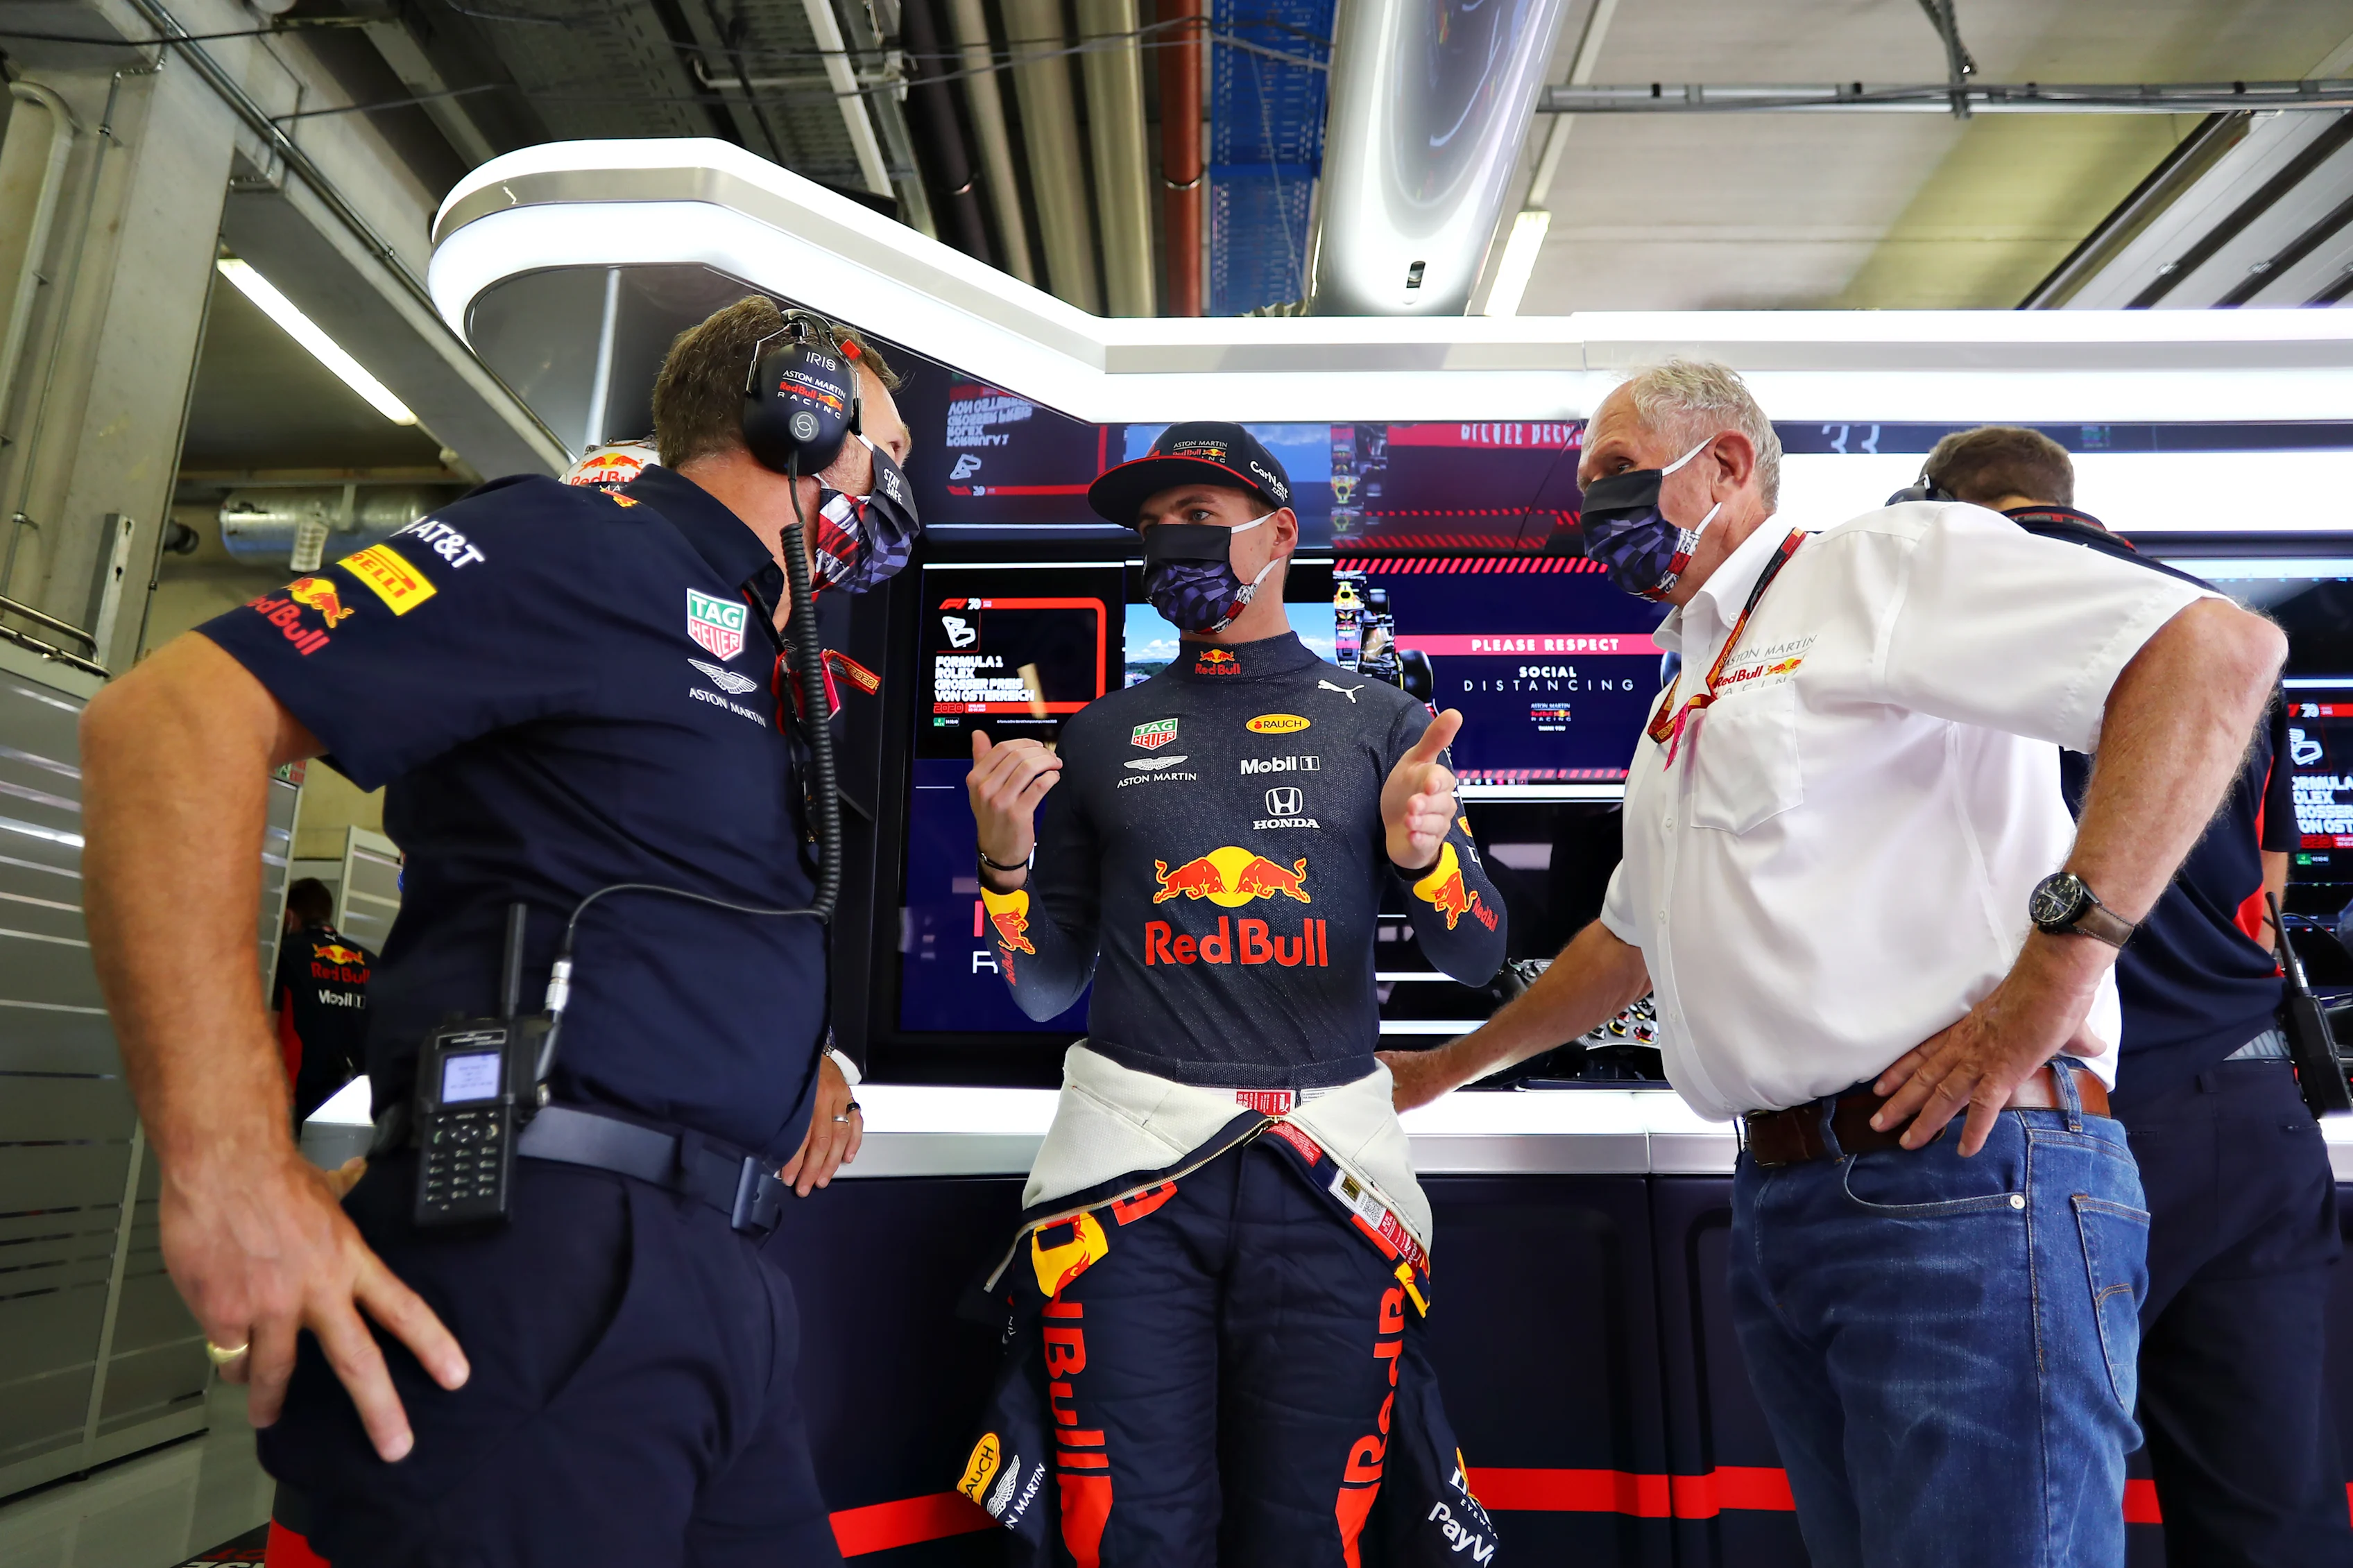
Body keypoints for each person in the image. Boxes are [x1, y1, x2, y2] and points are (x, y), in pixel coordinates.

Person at [1384, 362, 2287, 1568]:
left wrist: (2053, 978)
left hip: (1962, 1183)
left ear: (1725, 465)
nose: (1590, 508)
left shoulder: (1873, 566)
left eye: (1615, 473)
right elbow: (1629, 941)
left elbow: (2209, 655)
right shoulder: (1684, 692)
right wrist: (1447, 1068)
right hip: (1794, 1205)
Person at [78, 296, 920, 1567]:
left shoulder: (760, 651)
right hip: (551, 1271)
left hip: (723, 1282)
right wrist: (233, 1169)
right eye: (889, 453)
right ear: (800, 405)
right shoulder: (576, 544)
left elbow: (636, 889)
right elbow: (172, 718)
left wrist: (784, 1053)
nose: (900, 492)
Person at [961, 422, 1510, 1567]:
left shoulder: (1382, 727)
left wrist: (1429, 859)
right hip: (1127, 1193)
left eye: (1201, 522)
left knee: (1309, 1537)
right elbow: (1042, 985)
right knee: (1129, 1539)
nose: (1173, 546)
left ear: (1280, 533)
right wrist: (1004, 865)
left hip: (1331, 1184)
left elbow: (1473, 955)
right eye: (1155, 528)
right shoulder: (1101, 737)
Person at [1925, 423, 2351, 1567]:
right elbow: (2267, 885)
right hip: (2251, 1119)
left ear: (1946, 507)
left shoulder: (1942, 631)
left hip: (2054, 1122)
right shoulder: (2223, 627)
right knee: (2275, 1518)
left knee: (2034, 1517)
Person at [271, 877, 375, 1126]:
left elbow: (268, 1025)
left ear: (288, 916)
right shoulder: (371, 962)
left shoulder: (284, 955)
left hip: (297, 1100)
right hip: (358, 1103)